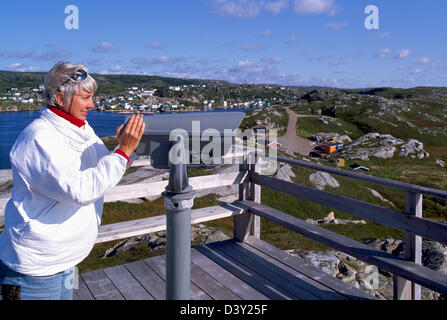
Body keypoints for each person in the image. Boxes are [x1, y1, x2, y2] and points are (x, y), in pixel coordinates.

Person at [0, 61, 145, 300]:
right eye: (86, 97)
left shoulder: (80, 128)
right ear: (60, 97)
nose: (92, 104)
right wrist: (122, 152)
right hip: (35, 268)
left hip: (66, 259)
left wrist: (124, 149)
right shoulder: (39, 138)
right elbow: (79, 191)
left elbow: (103, 171)